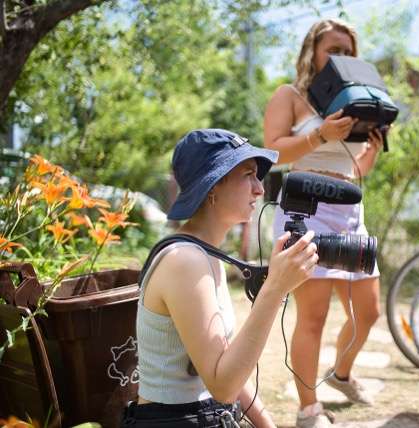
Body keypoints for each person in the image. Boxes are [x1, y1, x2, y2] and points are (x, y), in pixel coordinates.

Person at [122, 129, 319, 427]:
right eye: (248, 175)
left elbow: (230, 364)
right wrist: (275, 288)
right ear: (212, 186)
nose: (260, 190)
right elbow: (224, 386)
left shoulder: (207, 254)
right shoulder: (184, 262)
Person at [263, 18, 384, 428]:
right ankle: (308, 409)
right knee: (311, 317)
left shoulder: (355, 100)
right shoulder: (291, 96)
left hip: (349, 211)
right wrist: (320, 136)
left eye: (348, 51)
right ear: (312, 51)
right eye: (333, 49)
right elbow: (273, 154)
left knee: (368, 312)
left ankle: (342, 375)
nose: (341, 58)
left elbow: (352, 169)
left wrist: (373, 152)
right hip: (305, 209)